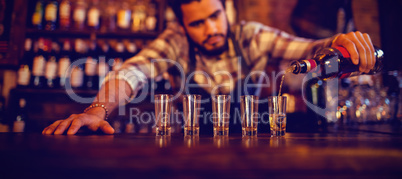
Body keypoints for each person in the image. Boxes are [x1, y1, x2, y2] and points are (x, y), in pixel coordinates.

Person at [42, 0, 377, 135]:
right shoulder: (175, 41)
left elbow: (308, 48)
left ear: (226, 10)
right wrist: (98, 110)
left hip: (253, 151)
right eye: (198, 23)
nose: (211, 29)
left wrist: (338, 44)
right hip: (189, 153)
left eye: (215, 17)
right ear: (184, 25)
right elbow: (131, 72)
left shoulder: (252, 36)